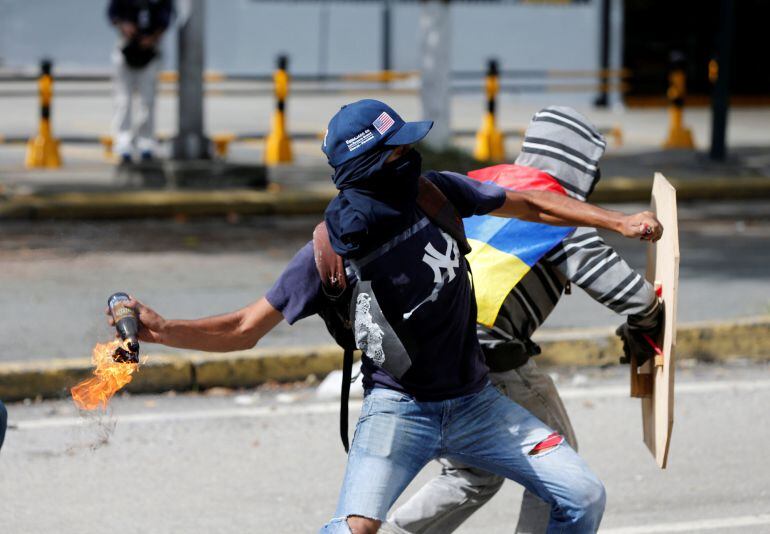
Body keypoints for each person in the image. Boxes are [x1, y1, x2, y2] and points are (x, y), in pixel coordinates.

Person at [110, 100, 661, 533]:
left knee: (583, 494)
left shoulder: (434, 193)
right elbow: (242, 329)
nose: (410, 157)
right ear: (371, 168)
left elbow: (532, 205)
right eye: (397, 151)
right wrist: (162, 330)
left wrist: (616, 221)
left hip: (477, 403)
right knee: (355, 528)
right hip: (399, 409)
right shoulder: (327, 255)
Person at [383, 106, 664, 534]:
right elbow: (634, 296)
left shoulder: (485, 183)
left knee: (470, 475)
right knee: (559, 472)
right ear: (582, 172)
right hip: (488, 355)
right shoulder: (558, 214)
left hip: (425, 349)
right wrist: (645, 324)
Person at [107, 0, 173, 163]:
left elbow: (166, 18)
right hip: (126, 49)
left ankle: (146, 143)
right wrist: (125, 27)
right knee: (123, 100)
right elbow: (113, 13)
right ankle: (124, 143)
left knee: (147, 101)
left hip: (150, 52)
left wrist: (152, 38)